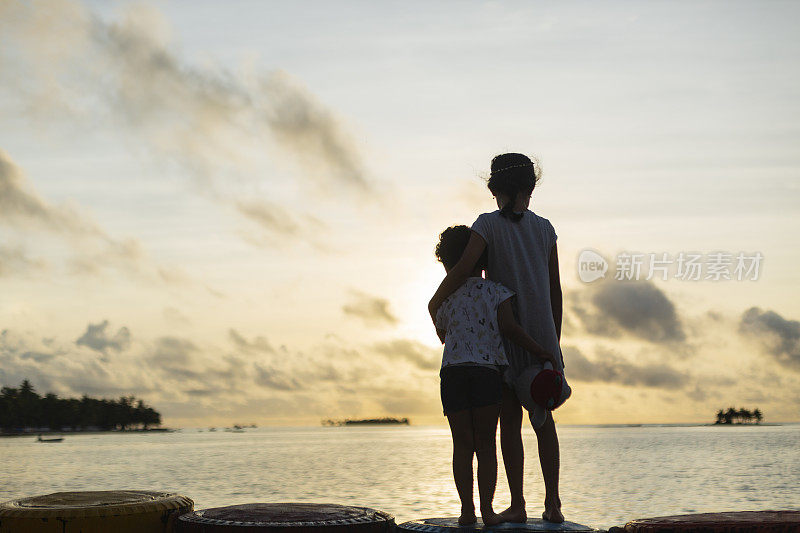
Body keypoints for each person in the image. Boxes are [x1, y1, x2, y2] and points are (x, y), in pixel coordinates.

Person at [428, 153, 565, 524]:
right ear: (530, 188)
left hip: (500, 337)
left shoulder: (486, 225)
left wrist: (435, 301)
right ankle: (552, 503)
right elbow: (555, 290)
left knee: (509, 423)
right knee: (543, 420)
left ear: (494, 190)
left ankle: (518, 503)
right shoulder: (545, 228)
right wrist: (555, 340)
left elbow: (462, 270)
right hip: (539, 335)